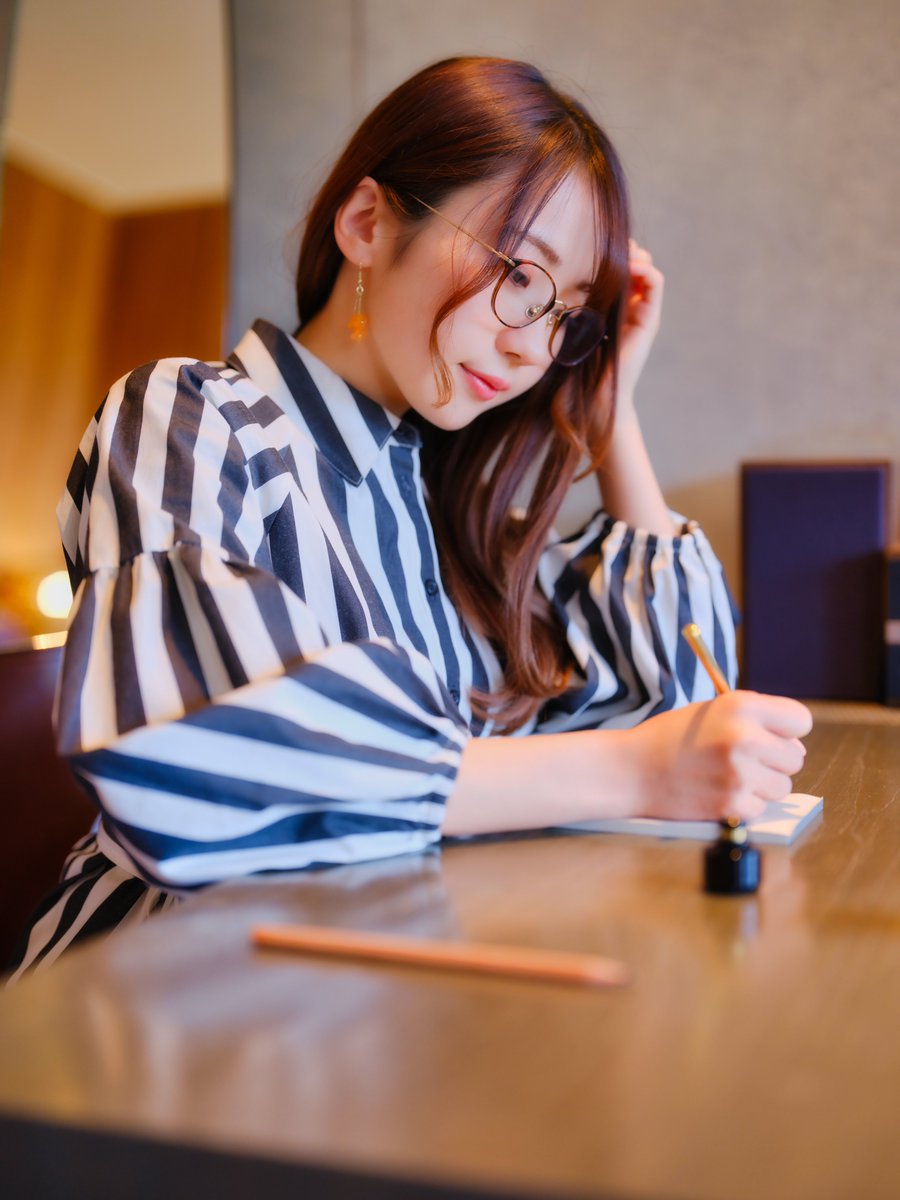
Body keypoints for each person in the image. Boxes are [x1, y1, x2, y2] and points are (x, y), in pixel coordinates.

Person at [9, 56, 811, 979]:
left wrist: (612, 400)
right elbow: (194, 747)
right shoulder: (193, 419)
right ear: (366, 222)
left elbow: (680, 693)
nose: (530, 347)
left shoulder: (445, 507)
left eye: (565, 318)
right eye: (520, 274)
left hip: (387, 991)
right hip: (166, 990)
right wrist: (631, 769)